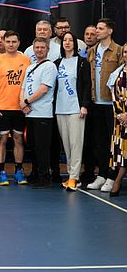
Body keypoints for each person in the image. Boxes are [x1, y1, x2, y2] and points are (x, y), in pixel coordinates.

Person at [0, 30, 31, 186]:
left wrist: (27, 103)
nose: (11, 44)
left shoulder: (26, 60)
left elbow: (30, 84)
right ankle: (1, 172)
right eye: (8, 42)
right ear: (4, 43)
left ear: (19, 43)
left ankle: (19, 171)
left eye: (14, 42)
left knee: (19, 139)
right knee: (2, 139)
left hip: (20, 108)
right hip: (2, 108)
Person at [85, 18, 123, 191]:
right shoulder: (92, 51)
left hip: (111, 104)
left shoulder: (118, 51)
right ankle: (101, 175)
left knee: (112, 142)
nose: (97, 31)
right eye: (97, 28)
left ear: (110, 31)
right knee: (99, 142)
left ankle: (111, 177)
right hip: (96, 103)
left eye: (100, 28)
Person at [53, 32, 91, 191]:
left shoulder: (82, 62)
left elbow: (87, 85)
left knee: (76, 143)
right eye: (65, 40)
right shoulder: (57, 63)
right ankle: (71, 175)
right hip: (60, 109)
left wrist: (84, 105)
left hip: (76, 108)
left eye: (70, 40)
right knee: (67, 145)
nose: (67, 42)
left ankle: (74, 177)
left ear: (75, 43)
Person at [20, 38, 58, 188]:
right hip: (30, 113)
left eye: (42, 47)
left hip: (43, 113)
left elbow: (44, 89)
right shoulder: (30, 67)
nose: (39, 50)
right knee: (33, 146)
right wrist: (22, 103)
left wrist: (27, 101)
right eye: (37, 47)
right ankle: (35, 173)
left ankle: (44, 176)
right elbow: (23, 87)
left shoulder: (50, 66)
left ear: (47, 49)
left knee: (43, 147)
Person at [106, 44, 127, 197]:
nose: (126, 54)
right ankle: (117, 180)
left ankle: (117, 181)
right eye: (125, 52)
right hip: (120, 119)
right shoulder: (117, 73)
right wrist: (120, 114)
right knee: (122, 152)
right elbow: (114, 95)